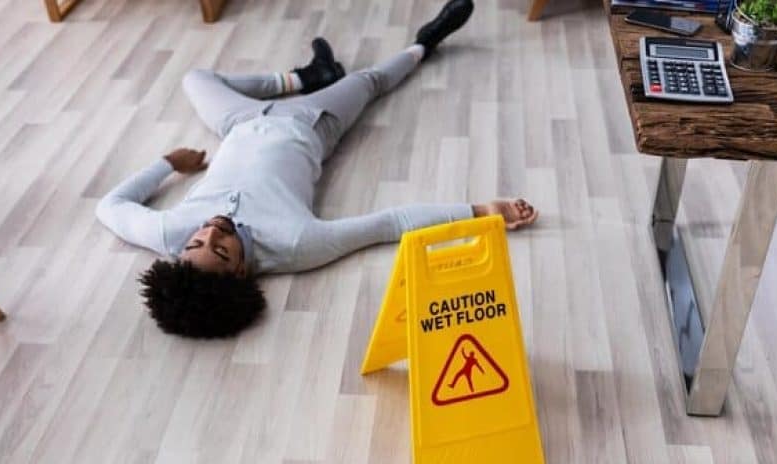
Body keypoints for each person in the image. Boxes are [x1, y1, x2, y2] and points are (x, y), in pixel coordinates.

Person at [96, 0, 538, 338]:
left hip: (238, 123)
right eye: (223, 247)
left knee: (195, 79)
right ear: (242, 272)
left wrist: (167, 165)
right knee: (369, 82)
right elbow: (389, 223)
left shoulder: (169, 235)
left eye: (198, 240)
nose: (213, 228)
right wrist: (481, 210)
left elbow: (110, 206)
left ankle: (304, 76)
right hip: (311, 123)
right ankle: (426, 43)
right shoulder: (295, 243)